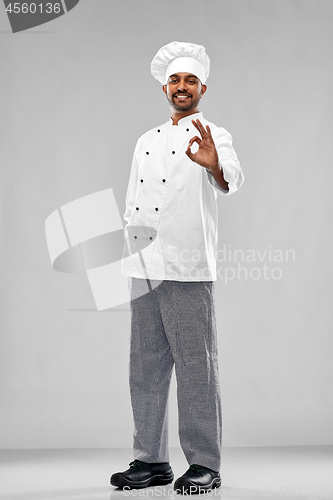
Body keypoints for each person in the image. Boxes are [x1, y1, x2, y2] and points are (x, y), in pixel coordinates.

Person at [110, 41, 244, 495]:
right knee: (144, 367)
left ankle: (205, 463)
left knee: (195, 367)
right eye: (175, 81)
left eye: (190, 80)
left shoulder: (213, 134)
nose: (182, 87)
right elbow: (133, 201)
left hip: (188, 265)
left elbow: (232, 179)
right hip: (144, 265)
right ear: (165, 87)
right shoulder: (145, 140)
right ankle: (150, 460)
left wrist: (215, 167)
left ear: (202, 87)